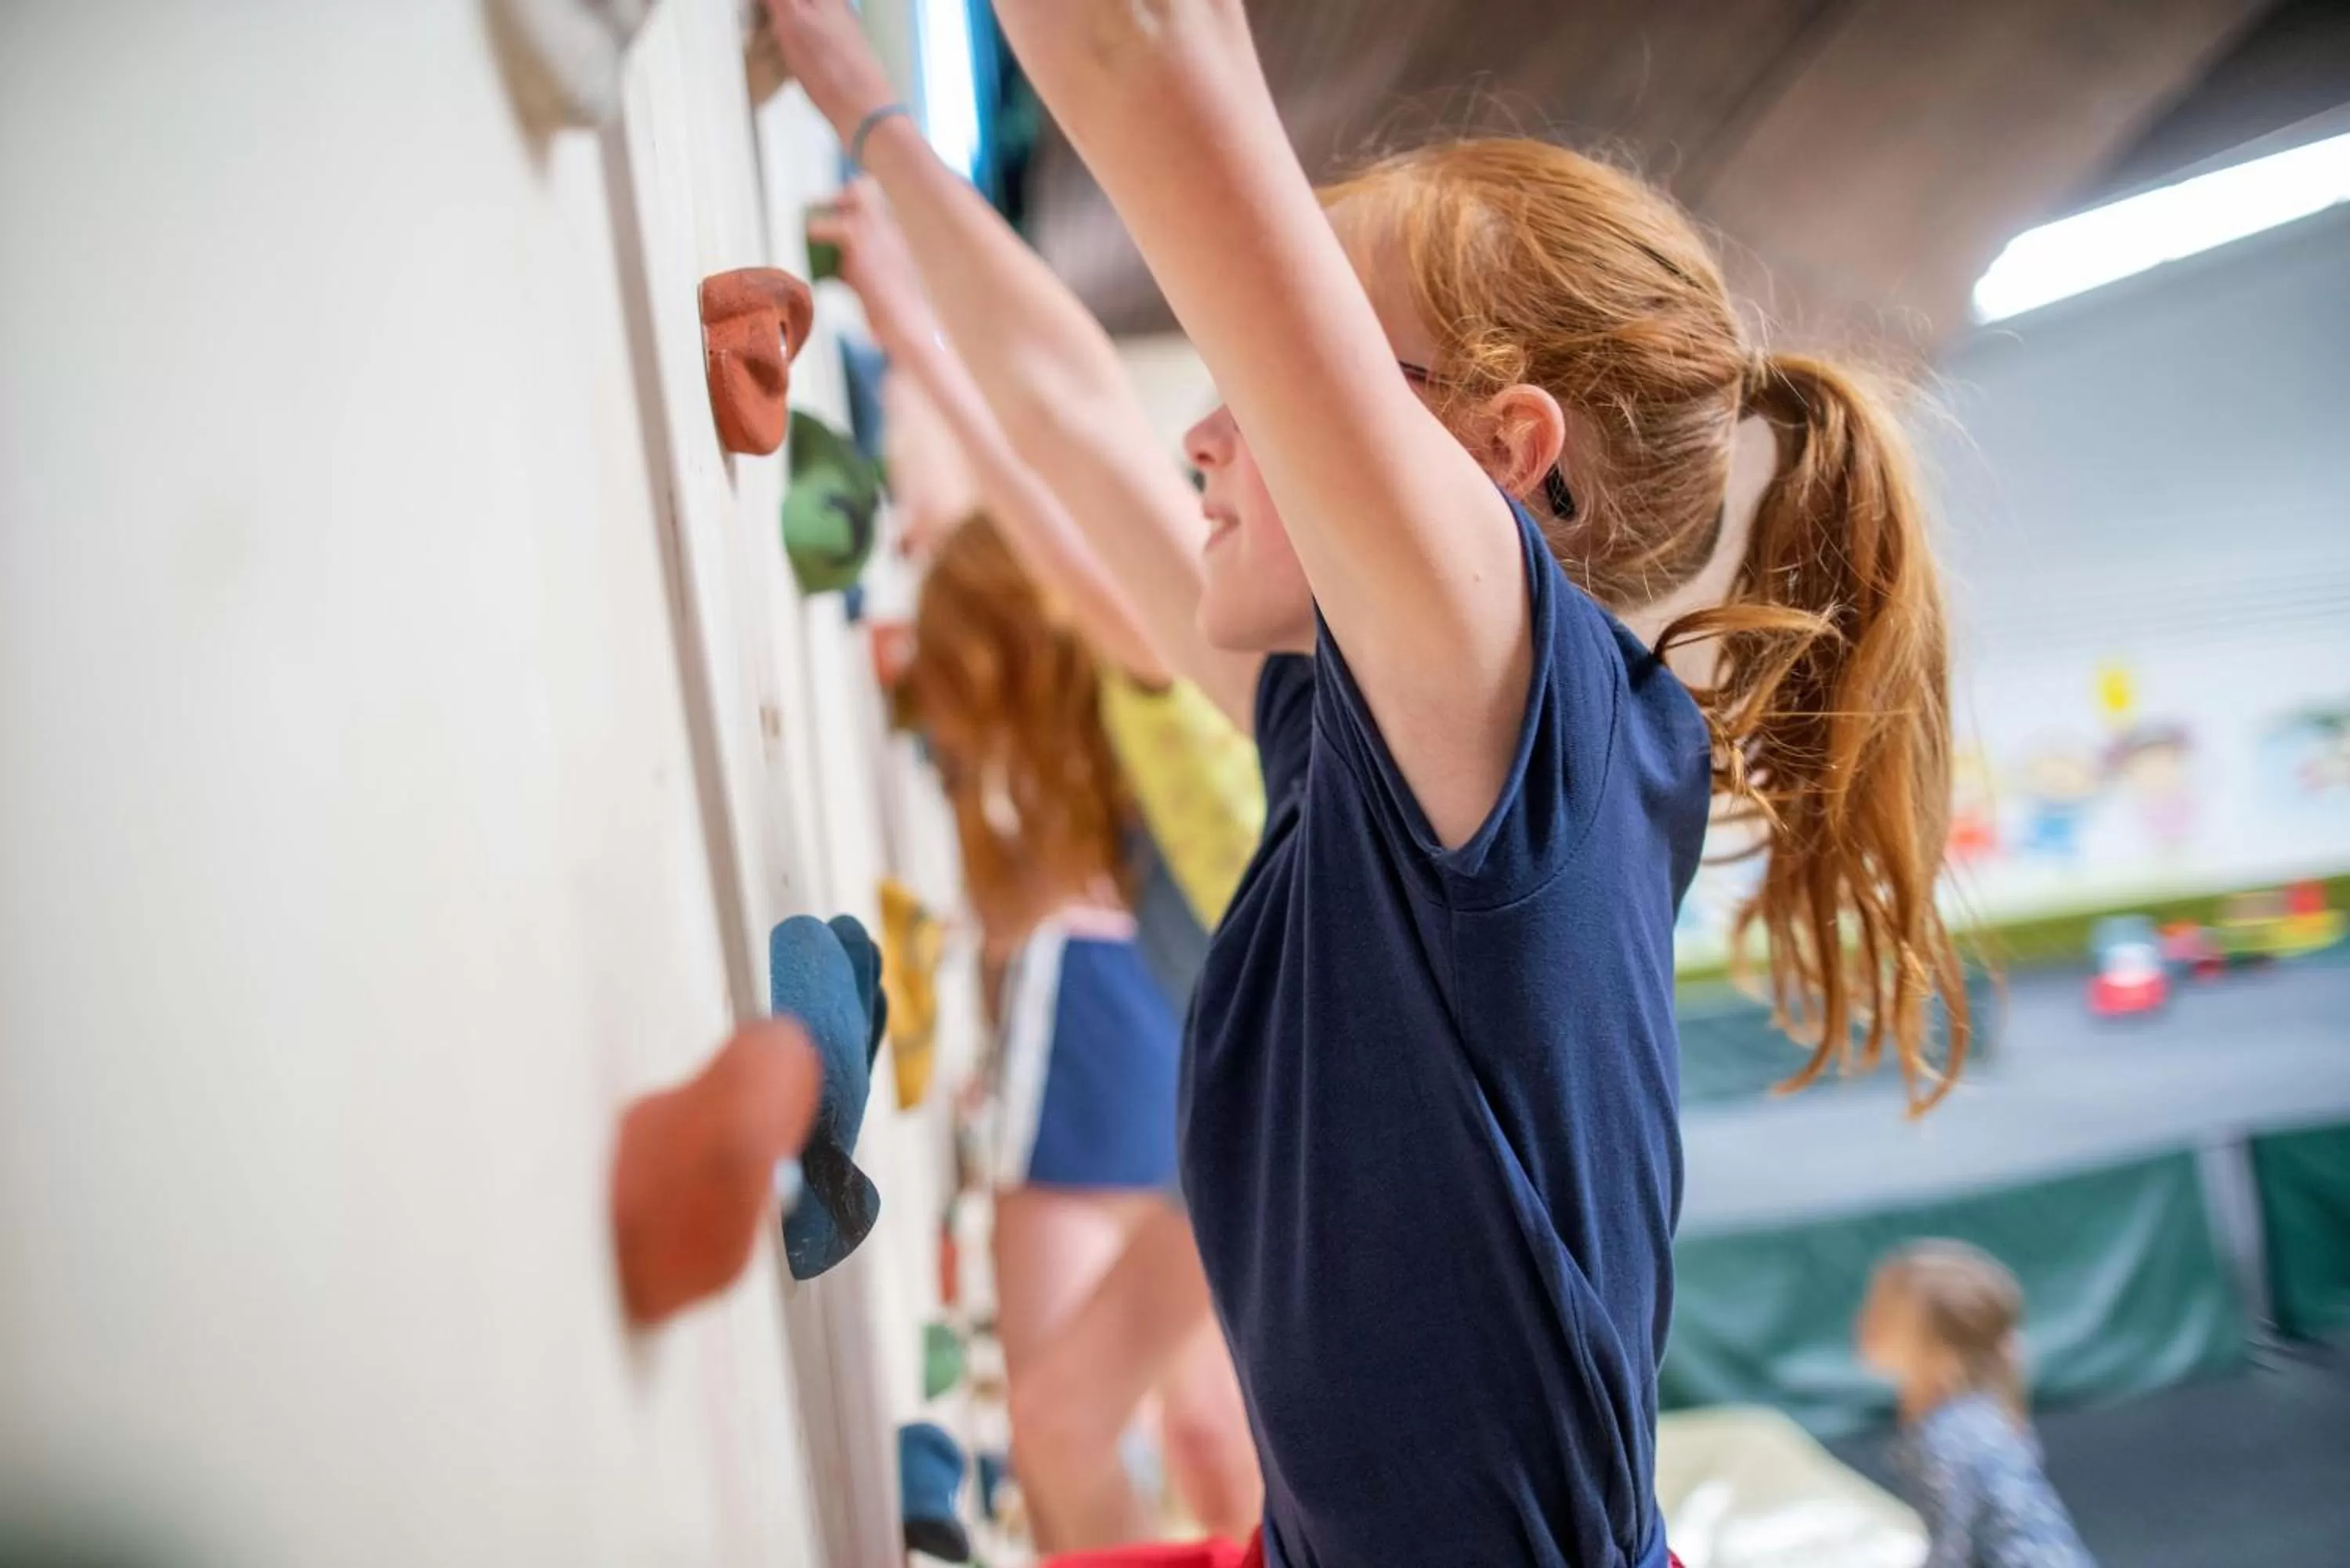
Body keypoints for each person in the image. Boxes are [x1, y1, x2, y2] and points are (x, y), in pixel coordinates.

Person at [766, 2, 1969, 1563]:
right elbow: (1076, 421)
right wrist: (872, 116)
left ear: (1502, 455)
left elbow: (1147, 58)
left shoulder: (1510, 696)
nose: (1204, 430)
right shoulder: (1394, 752)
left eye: (1275, 383)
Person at [895, 517, 1262, 1551]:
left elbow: (1067, 457)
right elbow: (1011, 895)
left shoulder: (1169, 743)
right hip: (1256, 1157)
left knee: (1070, 1423)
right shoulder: (1118, 806)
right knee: (1128, 1426)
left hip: (1286, 1153)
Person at [1860, 1243, 2097, 1568]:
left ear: (1941, 1351)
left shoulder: (1948, 1438)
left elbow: (1952, 1548)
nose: (1864, 1324)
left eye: (1883, 1316)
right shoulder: (1970, 1411)